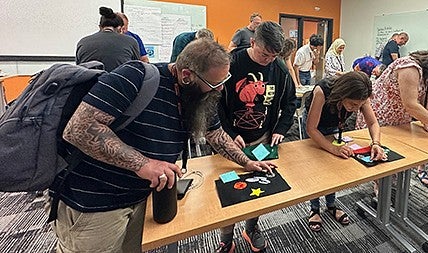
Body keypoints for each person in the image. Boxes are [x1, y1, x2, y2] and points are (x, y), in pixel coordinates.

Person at [46, 38, 276, 253]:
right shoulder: (135, 76)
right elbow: (79, 129)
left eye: (224, 81)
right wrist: (143, 164)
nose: (220, 89)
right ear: (187, 75)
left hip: (142, 198)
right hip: (96, 203)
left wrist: (247, 162)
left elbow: (215, 134)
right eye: (214, 83)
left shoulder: (197, 94)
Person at [216, 21, 296, 253]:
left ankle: (251, 228)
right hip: (228, 139)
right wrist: (229, 134)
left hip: (262, 138)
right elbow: (214, 103)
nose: (268, 60)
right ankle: (226, 238)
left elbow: (290, 102)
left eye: (273, 56)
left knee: (259, 186)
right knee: (228, 189)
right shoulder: (231, 63)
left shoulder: (279, 68)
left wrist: (281, 128)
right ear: (252, 42)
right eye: (264, 54)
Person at [303, 71, 386, 232]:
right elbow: (311, 128)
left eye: (359, 105)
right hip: (315, 126)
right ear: (343, 94)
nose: (356, 110)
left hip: (334, 124)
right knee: (317, 166)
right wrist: (333, 148)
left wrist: (376, 143)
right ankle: (314, 208)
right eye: (353, 104)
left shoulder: (361, 95)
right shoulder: (322, 91)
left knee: (332, 167)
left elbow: (373, 123)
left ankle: (331, 205)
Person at [371, 46, 428, 191]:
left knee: (398, 157)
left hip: (400, 117)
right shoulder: (410, 67)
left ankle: (388, 190)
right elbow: (411, 104)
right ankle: (379, 192)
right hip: (381, 114)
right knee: (382, 159)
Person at [76, 6, 139, 72]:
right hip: (119, 81)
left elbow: (79, 70)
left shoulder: (82, 42)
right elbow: (137, 68)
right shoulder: (131, 41)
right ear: (120, 28)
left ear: (100, 27)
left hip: (91, 81)